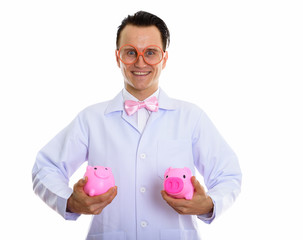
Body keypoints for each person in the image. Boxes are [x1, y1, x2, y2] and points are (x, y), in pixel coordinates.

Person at [32, 11, 242, 240]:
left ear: (164, 58)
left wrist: (208, 204)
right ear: (117, 57)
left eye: (150, 53)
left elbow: (228, 174)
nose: (140, 62)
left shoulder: (191, 117)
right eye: (130, 52)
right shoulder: (91, 119)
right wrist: (70, 201)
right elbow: (45, 167)